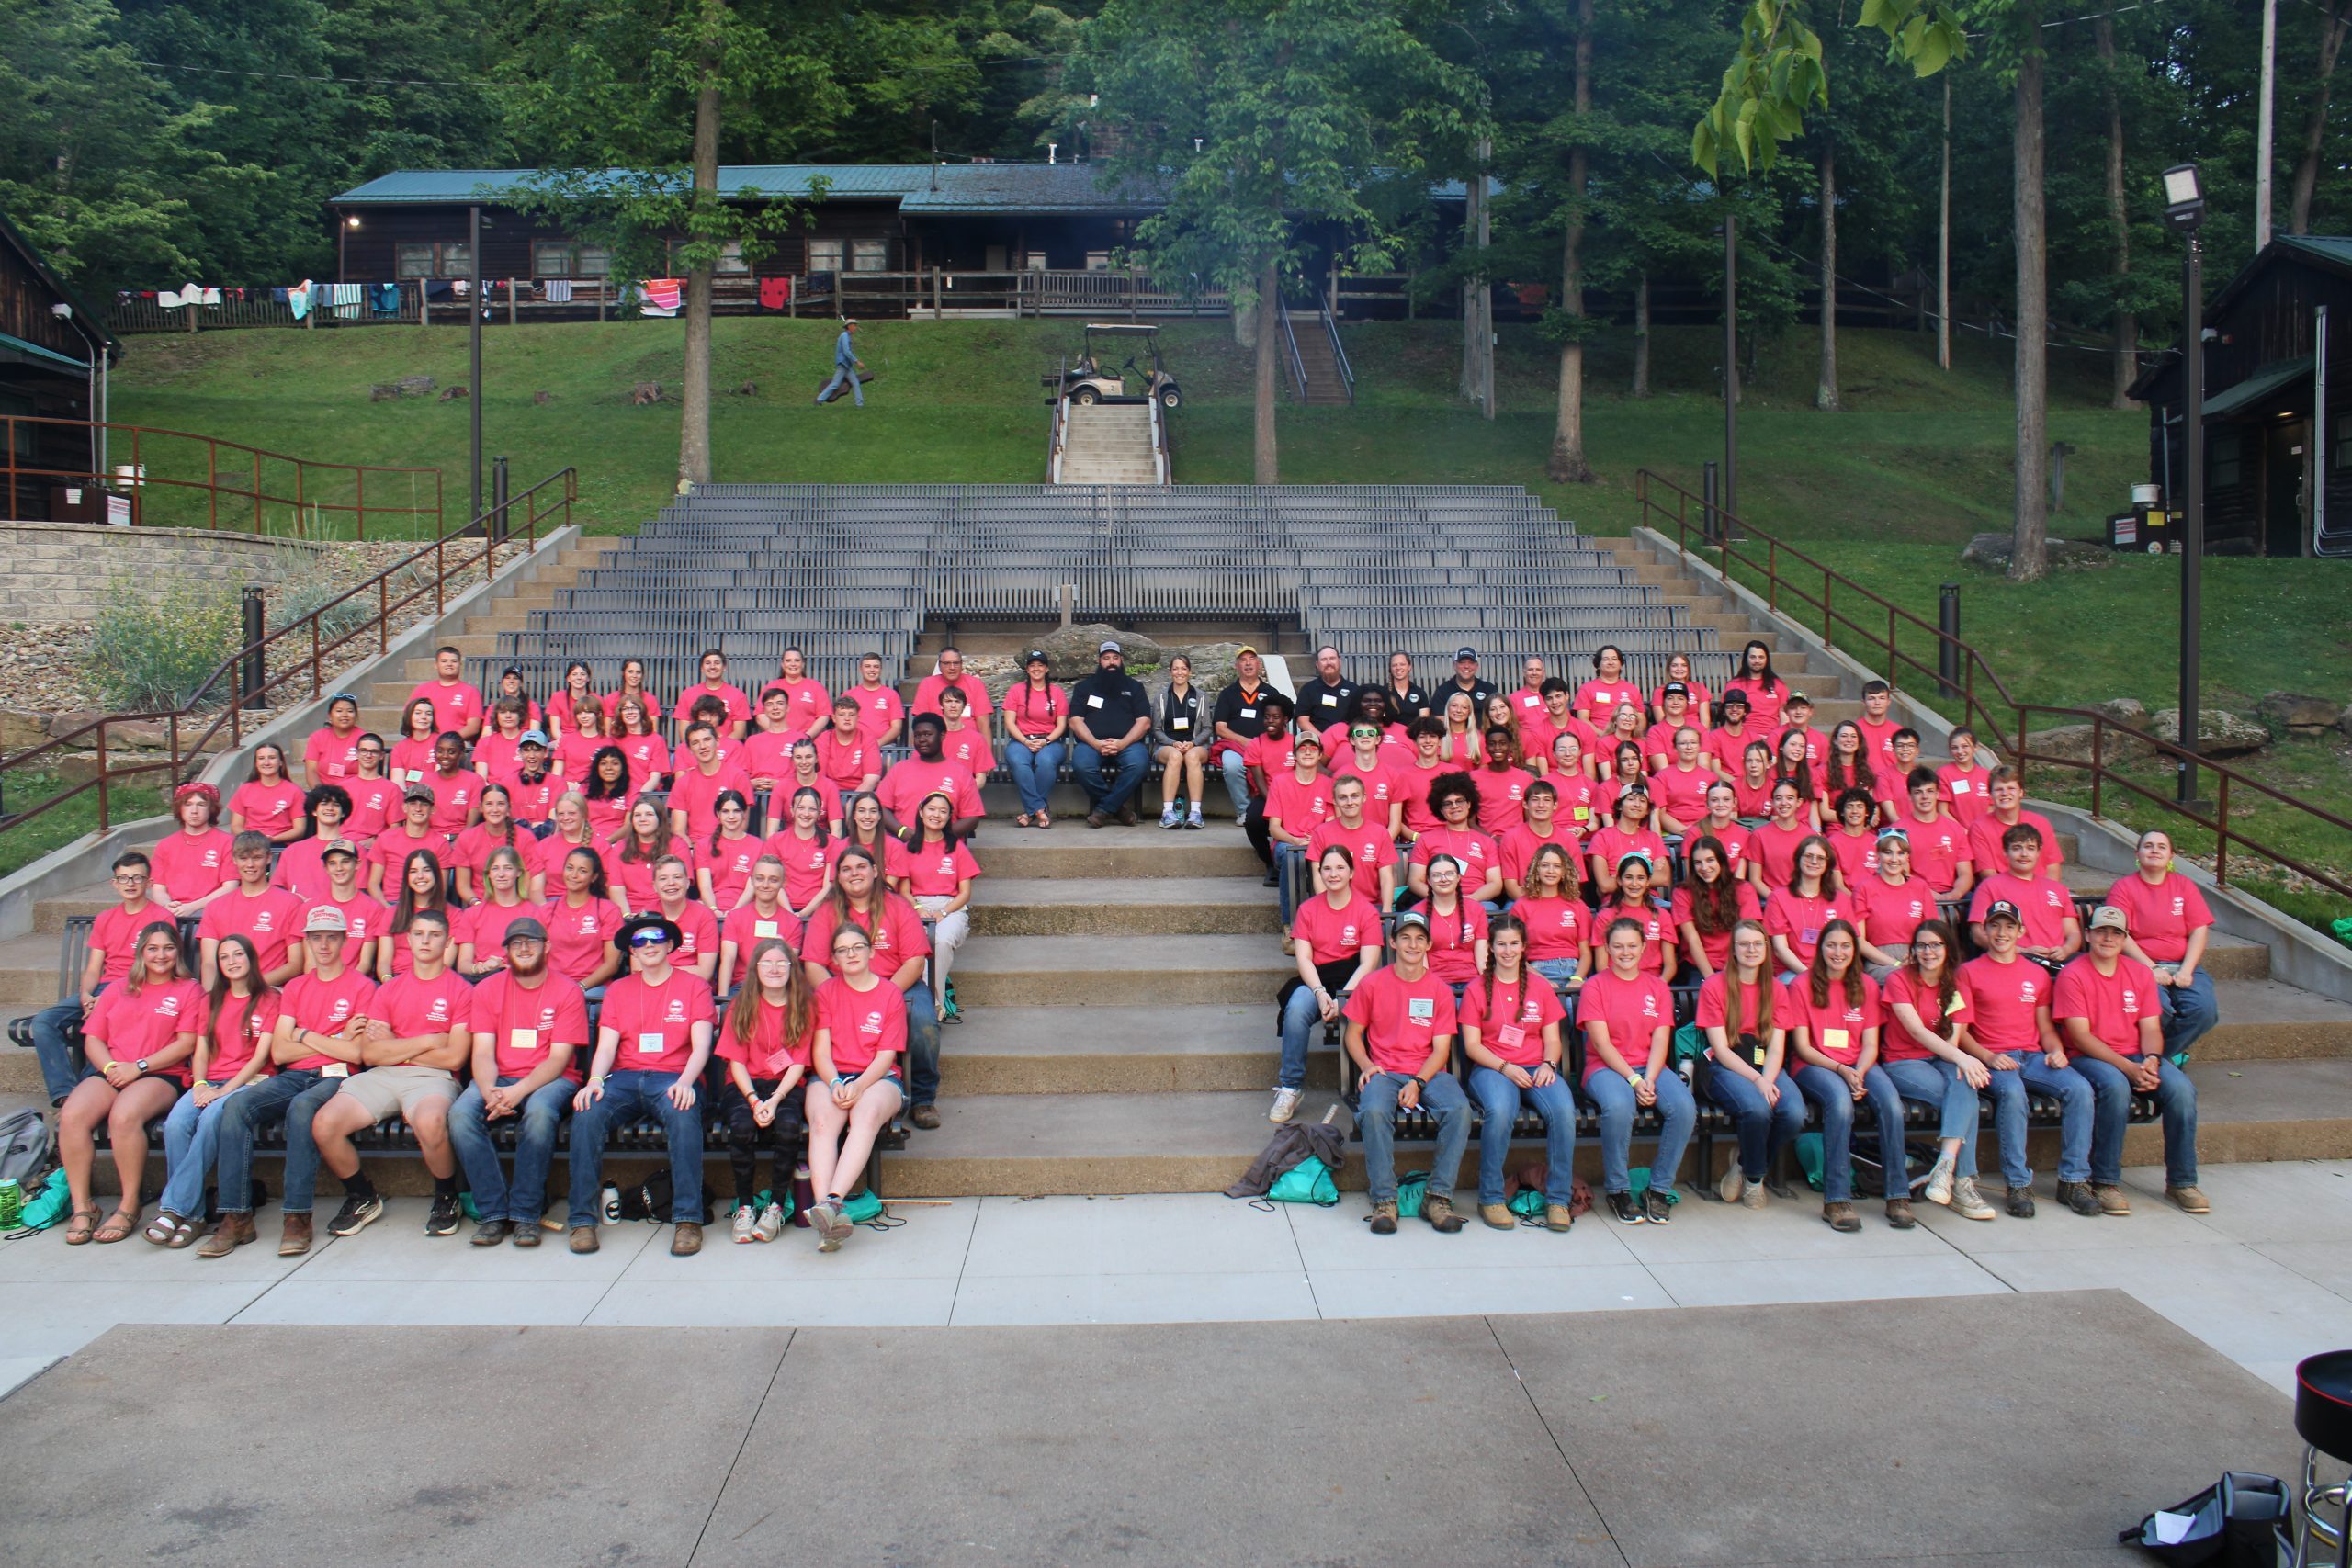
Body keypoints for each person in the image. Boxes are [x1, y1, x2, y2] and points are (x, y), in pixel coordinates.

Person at [194, 906, 376, 1258]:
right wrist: (332, 1037)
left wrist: (304, 1034)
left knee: (302, 1108)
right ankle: (237, 1216)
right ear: (306, 942)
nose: (323, 945)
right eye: (316, 938)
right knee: (236, 1105)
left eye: (331, 937)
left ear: (344, 940)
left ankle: (297, 1217)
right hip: (294, 1074)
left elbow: (356, 1055)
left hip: (337, 1077)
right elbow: (278, 1050)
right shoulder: (295, 988)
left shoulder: (361, 987)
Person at [303, 908, 471, 1240]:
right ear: (407, 940)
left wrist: (395, 1043)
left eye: (434, 935)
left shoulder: (461, 990)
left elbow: (455, 1055)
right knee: (324, 1124)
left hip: (433, 1078)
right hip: (382, 1074)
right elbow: (370, 1052)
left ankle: (446, 1197)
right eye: (419, 934)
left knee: (430, 1122)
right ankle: (363, 1196)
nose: (425, 941)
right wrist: (426, 1041)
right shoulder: (390, 990)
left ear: (448, 942)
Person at [566, 913, 716, 1257]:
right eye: (639, 941)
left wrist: (687, 1082)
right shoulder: (618, 990)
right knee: (587, 1111)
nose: (647, 945)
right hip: (624, 1077)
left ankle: (688, 1219)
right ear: (632, 951)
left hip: (674, 1076)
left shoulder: (694, 986)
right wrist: (593, 1081)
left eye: (655, 938)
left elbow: (701, 1045)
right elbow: (606, 1046)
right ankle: (582, 1220)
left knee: (683, 1110)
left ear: (670, 945)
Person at [2053, 906, 2206, 1215]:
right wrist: (2129, 1069)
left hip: (2136, 1054)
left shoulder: (2138, 974)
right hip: (2088, 1056)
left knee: (2181, 1090)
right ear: (2088, 935)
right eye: (2101, 931)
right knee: (2115, 1086)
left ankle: (2181, 1181)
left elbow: (2151, 1027)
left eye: (2116, 933)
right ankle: (2105, 1181)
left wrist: (2150, 1059)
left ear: (2125, 939)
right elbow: (2081, 1036)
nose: (2108, 938)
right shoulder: (2074, 974)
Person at [55, 921, 197, 1245]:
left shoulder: (189, 990)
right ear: (141, 953)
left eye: (168, 948)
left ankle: (129, 1203)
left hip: (161, 1072)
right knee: (73, 1115)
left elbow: (186, 1043)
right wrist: (110, 1067)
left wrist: (139, 1066)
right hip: (113, 1069)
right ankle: (83, 1206)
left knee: (124, 1115)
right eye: (153, 948)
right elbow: (93, 1038)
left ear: (178, 951)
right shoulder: (118, 988)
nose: (161, 955)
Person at [1961, 899, 2098, 1218]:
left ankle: (2074, 1180)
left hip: (2032, 1056)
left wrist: (2056, 1050)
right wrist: (1988, 1057)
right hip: (1993, 1057)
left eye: (2009, 925)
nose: (2002, 932)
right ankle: (2018, 1183)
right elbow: (1961, 1032)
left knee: (2079, 1089)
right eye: (1995, 924)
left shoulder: (2035, 975)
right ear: (1985, 929)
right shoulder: (1968, 972)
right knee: (2012, 1093)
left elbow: (2045, 1027)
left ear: (2021, 931)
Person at [1344, 911, 1471, 1235]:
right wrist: (1366, 1065)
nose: (1412, 944)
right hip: (1384, 1072)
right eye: (1405, 937)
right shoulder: (1372, 983)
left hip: (1428, 1071)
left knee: (1459, 1110)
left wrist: (1418, 1081)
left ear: (1429, 944)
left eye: (1419, 938)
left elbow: (1441, 1050)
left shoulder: (1439, 990)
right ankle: (1385, 1200)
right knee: (1372, 1111)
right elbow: (1352, 1035)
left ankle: (1438, 1198)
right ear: (1392, 941)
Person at [149, 932, 279, 1247]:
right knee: (177, 1124)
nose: (232, 962)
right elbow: (202, 1049)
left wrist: (224, 1091)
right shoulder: (210, 1000)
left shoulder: (269, 998)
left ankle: (173, 1208)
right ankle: (193, 1216)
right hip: (210, 1081)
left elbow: (260, 1057)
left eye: (238, 955)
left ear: (251, 959)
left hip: (250, 1081)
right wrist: (199, 1083)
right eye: (224, 958)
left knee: (210, 1122)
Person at [1782, 920, 1911, 1232]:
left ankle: (1898, 1194)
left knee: (1891, 1103)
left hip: (1859, 1062)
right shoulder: (1802, 984)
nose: (1838, 952)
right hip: (1815, 1064)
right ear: (1821, 948)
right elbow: (1802, 1046)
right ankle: (1836, 1199)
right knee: (1840, 1102)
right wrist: (1842, 1071)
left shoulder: (1866, 986)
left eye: (1845, 946)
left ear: (1855, 950)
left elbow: (1870, 1044)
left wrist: (1860, 1071)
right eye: (1831, 945)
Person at [802, 848, 940, 1128]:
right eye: (846, 869)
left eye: (861, 867)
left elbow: (914, 962)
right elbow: (814, 965)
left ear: (875, 871)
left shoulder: (898, 905)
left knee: (923, 1020)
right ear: (838, 878)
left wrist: (882, 996)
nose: (855, 873)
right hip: (842, 988)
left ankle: (923, 1098)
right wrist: (835, 995)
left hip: (898, 985)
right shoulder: (828, 912)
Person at [1461, 914, 1577, 1232]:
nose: (1508, 951)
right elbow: (1472, 1045)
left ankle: (1558, 1199)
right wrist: (1505, 1067)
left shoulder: (1540, 987)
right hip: (1492, 1067)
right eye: (1501, 944)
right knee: (1500, 1111)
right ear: (1491, 948)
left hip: (1536, 1067)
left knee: (1564, 1111)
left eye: (1514, 944)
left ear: (1524, 947)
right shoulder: (1477, 989)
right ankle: (1491, 1196)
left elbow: (1553, 1039)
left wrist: (1548, 1065)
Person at [1881, 919, 2000, 1221]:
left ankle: (1945, 1167)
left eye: (1935, 945)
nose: (1928, 951)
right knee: (1966, 1097)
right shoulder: (1900, 980)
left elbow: (1953, 1036)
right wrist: (1964, 1059)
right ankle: (1962, 1183)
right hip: (1903, 1061)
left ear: (1947, 949)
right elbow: (1917, 1032)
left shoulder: (1956, 984)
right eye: (1921, 945)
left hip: (1941, 1059)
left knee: (1965, 1083)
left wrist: (1960, 1061)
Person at [1579, 915, 1694, 1224]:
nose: (1625, 952)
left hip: (1650, 1067)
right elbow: (1601, 1044)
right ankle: (1618, 1190)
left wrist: (1651, 1079)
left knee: (1683, 1107)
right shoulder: (1595, 987)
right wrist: (1633, 1080)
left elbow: (1661, 1038)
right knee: (1619, 1107)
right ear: (1607, 948)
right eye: (1618, 946)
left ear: (1644, 947)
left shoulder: (1657, 987)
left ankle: (1658, 1190)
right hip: (1606, 1068)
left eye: (1632, 945)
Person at [29, 851, 165, 1107]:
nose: (130, 883)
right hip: (102, 989)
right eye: (123, 878)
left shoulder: (160, 917)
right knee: (44, 1021)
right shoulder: (105, 919)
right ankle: (65, 1094)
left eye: (137, 877)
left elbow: (158, 966)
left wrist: (104, 1000)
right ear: (114, 883)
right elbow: (94, 969)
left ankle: (96, 1092)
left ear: (149, 882)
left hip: (137, 988)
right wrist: (86, 995)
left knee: (102, 1021)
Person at [802, 925, 908, 1250]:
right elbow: (821, 1051)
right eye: (842, 950)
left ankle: (832, 1202)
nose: (851, 954)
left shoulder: (890, 993)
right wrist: (834, 1082)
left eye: (857, 947)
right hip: (832, 1073)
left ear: (871, 951)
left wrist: (860, 1085)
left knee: (864, 1114)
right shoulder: (825, 993)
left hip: (878, 1078)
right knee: (823, 1121)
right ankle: (827, 1215)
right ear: (833, 959)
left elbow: (886, 1055)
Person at [714, 937, 815, 1244]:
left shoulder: (803, 1006)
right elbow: (736, 1062)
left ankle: (775, 1206)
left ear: (791, 967)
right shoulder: (741, 1006)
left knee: (787, 1128)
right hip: (745, 1086)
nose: (774, 969)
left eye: (781, 962)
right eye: (767, 963)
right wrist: (755, 1100)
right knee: (742, 1128)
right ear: (755, 968)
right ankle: (745, 1205)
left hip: (785, 1086)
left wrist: (776, 1099)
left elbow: (798, 1063)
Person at [1273, 845, 1384, 1123]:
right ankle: (1290, 1087)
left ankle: (1375, 1083)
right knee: (1297, 1008)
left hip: (1355, 981)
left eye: (1339, 868)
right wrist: (1320, 993)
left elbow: (1368, 963)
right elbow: (1304, 959)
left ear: (1352, 873)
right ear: (1319, 873)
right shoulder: (1308, 910)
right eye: (1327, 868)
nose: (1333, 874)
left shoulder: (1366, 911)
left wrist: (1343, 998)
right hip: (1317, 978)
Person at [1700, 919, 1804, 1209]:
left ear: (1766, 949)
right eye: (1744, 944)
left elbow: (1777, 1047)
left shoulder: (1777, 990)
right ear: (1733, 949)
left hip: (1765, 1066)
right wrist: (1758, 1082)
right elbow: (1720, 1049)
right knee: (1757, 1109)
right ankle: (1756, 1180)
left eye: (1757, 944)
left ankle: (1744, 1164)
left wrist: (1767, 1079)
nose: (1751, 949)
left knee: (1794, 1112)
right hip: (1728, 1066)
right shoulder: (1715, 985)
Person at [2106, 828, 2221, 1065]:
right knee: (2160, 1009)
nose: (2155, 851)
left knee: (2204, 1011)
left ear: (2171, 856)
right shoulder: (2124, 888)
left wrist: (2187, 970)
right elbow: (2120, 933)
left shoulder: (2184, 886)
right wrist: (2151, 968)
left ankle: (2156, 1058)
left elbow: (2199, 929)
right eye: (2148, 846)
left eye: (2161, 847)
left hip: (2183, 965)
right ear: (2137, 853)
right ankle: (2163, 1059)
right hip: (2140, 966)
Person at [888, 792, 978, 1024]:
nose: (936, 814)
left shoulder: (956, 848)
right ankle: (930, 1007)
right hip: (916, 908)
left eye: (943, 811)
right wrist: (919, 909)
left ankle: (933, 1003)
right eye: (931, 809)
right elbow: (905, 891)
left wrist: (944, 913)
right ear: (920, 812)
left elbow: (965, 892)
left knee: (942, 940)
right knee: (918, 948)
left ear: (949, 818)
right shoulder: (907, 848)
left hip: (952, 908)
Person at [196, 831, 305, 991]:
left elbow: (295, 964)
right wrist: (211, 999)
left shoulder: (291, 903)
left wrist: (249, 987)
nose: (250, 865)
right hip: (228, 994)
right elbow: (209, 964)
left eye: (257, 857)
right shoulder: (215, 907)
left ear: (268, 858)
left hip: (270, 990)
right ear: (234, 860)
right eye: (243, 858)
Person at [1967, 823, 2081, 969]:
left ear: (2039, 852)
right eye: (2016, 848)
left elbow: (2073, 933)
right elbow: (1978, 934)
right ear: (2005, 852)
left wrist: (2066, 950)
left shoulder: (2057, 888)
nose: (2024, 854)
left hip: (2060, 960)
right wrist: (2022, 951)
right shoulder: (1990, 886)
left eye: (2030, 848)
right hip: (2018, 960)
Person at [1069, 640, 1153, 828]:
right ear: (1100, 661)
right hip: (1092, 745)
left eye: (1115, 658)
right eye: (1106, 658)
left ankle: (1104, 809)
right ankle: (1119, 810)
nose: (1111, 662)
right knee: (1082, 765)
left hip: (1127, 745)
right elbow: (1075, 720)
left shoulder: (1134, 687)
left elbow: (1144, 721)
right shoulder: (1084, 688)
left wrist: (1122, 743)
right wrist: (1096, 743)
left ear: (1121, 660)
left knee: (1138, 763)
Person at [876, 715, 985, 841]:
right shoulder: (899, 770)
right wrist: (901, 831)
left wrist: (939, 837)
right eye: (917, 735)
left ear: (942, 735)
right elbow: (880, 807)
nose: (921, 739)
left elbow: (972, 817)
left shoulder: (961, 773)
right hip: (903, 846)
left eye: (927, 734)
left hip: (945, 849)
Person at [1266, 733, 1336, 924]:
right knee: (1293, 856)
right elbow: (1274, 828)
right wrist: (1296, 841)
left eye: (1313, 748)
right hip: (1287, 842)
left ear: (1320, 754)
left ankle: (1326, 922)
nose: (1307, 752)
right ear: (1294, 754)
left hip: (1318, 842)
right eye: (1302, 748)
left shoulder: (1327, 784)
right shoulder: (1280, 782)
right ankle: (1291, 925)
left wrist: (1316, 841)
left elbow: (1330, 823)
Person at [1853, 829, 1939, 977]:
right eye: (1888, 852)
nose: (1894, 859)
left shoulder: (1920, 887)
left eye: (1900, 853)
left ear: (1907, 856)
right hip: (1879, 961)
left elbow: (1933, 933)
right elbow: (1858, 940)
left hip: (1919, 957)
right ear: (1878, 855)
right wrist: (1895, 964)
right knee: (1901, 978)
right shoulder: (1864, 888)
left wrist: (1916, 955)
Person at [1673, 835, 1762, 978]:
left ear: (1721, 861)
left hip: (1738, 961)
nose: (1704, 868)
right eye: (1698, 862)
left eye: (1710, 860)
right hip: (1697, 965)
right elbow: (1692, 939)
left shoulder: (1743, 889)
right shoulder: (1682, 892)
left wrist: (1727, 973)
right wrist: (1711, 980)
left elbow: (1746, 934)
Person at [1407, 773, 1501, 905]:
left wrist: (1471, 900)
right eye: (1448, 803)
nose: (1455, 806)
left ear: (1469, 804)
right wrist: (1443, 899)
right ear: (1440, 809)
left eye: (1460, 801)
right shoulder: (1426, 839)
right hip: (1436, 901)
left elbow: (1495, 884)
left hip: (1478, 902)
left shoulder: (1486, 842)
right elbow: (1415, 881)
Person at [718, 855, 808, 995]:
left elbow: (787, 966)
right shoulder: (735, 917)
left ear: (784, 883)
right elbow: (728, 959)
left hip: (778, 987)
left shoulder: (793, 923)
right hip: (743, 986)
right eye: (760, 878)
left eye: (773, 880)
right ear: (752, 880)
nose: (765, 885)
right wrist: (722, 1000)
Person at [540, 846, 624, 994]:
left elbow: (612, 964)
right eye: (570, 868)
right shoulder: (546, 911)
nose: (574, 875)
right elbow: (538, 957)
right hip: (552, 987)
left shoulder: (608, 910)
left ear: (594, 877)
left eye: (582, 871)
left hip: (592, 988)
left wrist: (579, 987)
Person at [1307, 776, 1398, 912]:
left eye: (1354, 796)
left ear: (1364, 797)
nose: (1349, 802)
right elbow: (1318, 876)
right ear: (1335, 801)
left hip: (1372, 908)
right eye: (1343, 797)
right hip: (1335, 907)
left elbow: (1386, 878)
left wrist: (1386, 913)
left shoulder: (1380, 833)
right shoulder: (1321, 833)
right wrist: (1327, 910)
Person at [299, 841, 390, 975]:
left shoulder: (373, 908)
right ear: (326, 868)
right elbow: (310, 963)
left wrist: (344, 986)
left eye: (345, 862)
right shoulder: (310, 908)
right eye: (332, 863)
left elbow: (365, 964)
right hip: (318, 984)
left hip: (355, 985)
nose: (339, 868)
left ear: (357, 864)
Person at [1004, 648, 1069, 829]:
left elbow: (1061, 725)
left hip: (1050, 741)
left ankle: (1030, 812)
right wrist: (1025, 741)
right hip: (1021, 740)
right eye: (1032, 665)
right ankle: (1040, 810)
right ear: (1026, 669)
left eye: (1040, 665)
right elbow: (1010, 722)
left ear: (1047, 669)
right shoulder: (1016, 691)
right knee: (1019, 761)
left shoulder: (1056, 693)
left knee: (1046, 761)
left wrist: (1046, 741)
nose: (1036, 669)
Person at [1766, 834, 1848, 975]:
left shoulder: (1841, 900)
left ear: (1828, 864)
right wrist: (1808, 976)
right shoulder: (1778, 898)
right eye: (1808, 856)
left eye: (1821, 858)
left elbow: (1848, 944)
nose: (1814, 861)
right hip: (1792, 971)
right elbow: (1780, 949)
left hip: (1831, 971)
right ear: (1798, 859)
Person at [153, 782, 237, 917]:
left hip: (211, 912)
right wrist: (166, 904)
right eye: (188, 804)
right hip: (173, 912)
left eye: (201, 805)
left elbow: (230, 887)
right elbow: (158, 888)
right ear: (180, 808)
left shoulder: (227, 842)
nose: (194, 811)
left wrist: (192, 907)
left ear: (211, 809)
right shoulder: (165, 845)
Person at [1210, 644, 1275, 819]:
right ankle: (1244, 811)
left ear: (1259, 664)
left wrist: (1260, 744)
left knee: (1277, 766)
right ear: (1236, 666)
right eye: (1243, 660)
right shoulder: (1228, 694)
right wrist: (1244, 741)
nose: (1248, 663)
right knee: (1231, 766)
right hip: (1235, 746)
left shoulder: (1271, 693)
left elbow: (1279, 725)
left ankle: (1273, 810)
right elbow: (1220, 728)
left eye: (1252, 659)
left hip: (1265, 746)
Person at [453, 784, 544, 905]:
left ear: (508, 809)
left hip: (515, 904)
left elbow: (527, 883)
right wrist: (476, 904)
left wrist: (515, 904)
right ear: (480, 807)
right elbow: (463, 886)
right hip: (479, 905)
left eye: (500, 804)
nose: (495, 809)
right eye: (489, 804)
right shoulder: (466, 838)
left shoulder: (526, 837)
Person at [1512, 843, 1589, 989]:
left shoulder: (1577, 905)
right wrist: (1542, 981)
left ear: (1564, 871)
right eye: (1545, 865)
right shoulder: (1521, 906)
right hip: (1537, 970)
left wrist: (1577, 978)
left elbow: (1585, 952)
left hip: (1574, 969)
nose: (1551, 871)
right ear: (1536, 869)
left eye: (1557, 866)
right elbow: (1516, 955)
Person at [456, 846, 537, 978]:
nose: (501, 874)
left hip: (521, 979)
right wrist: (482, 967)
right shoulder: (472, 914)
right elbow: (463, 965)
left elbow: (540, 961)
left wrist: (508, 969)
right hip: (483, 981)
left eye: (508, 868)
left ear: (519, 872)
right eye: (495, 868)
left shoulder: (533, 913)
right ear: (489, 874)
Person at [1965, 766, 2062, 876]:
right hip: (2002, 890)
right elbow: (1988, 874)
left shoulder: (2041, 823)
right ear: (1990, 795)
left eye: (2011, 788)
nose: (2005, 793)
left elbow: (2053, 867)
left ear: (2021, 792)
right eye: (1998, 789)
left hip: (2041, 889)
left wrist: (2047, 893)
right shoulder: (1979, 827)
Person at [1893, 769, 1974, 899]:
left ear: (1937, 794)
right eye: (1918, 792)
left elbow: (1965, 873)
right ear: (1909, 796)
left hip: (1952, 895)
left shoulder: (1955, 829)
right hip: (1913, 895)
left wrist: (1955, 894)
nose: (1925, 797)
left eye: (1930, 791)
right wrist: (1932, 896)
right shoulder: (1897, 832)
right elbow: (1902, 874)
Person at [1595, 854, 1678, 981]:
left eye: (1640, 878)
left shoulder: (1662, 916)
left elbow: (1670, 965)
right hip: (1616, 985)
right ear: (1619, 880)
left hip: (1653, 985)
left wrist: (1658, 987)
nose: (1634, 883)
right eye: (1628, 877)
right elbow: (1601, 966)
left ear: (1648, 881)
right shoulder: (1605, 917)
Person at [607, 795, 693, 916]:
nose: (642, 819)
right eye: (637, 815)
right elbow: (616, 889)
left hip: (667, 912)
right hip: (631, 914)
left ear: (660, 818)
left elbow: (682, 886)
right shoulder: (620, 848)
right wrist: (627, 916)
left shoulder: (677, 845)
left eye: (649, 814)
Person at [1417, 853, 1491, 990]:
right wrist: (1428, 987)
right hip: (1436, 982)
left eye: (1449, 874)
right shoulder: (1418, 912)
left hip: (1472, 981)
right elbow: (1420, 962)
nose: (1444, 879)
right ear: (1428, 880)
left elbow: (1482, 958)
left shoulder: (1476, 909)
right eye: (1437, 875)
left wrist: (1485, 986)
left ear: (1458, 877)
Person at [668, 722, 752, 842]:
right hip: (694, 848)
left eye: (707, 739)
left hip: (728, 845)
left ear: (717, 742)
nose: (702, 746)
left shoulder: (738, 777)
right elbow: (678, 832)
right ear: (690, 750)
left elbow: (742, 825)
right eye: (695, 743)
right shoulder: (682, 783)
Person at [1499, 779, 1580, 902]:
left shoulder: (1569, 839)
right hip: (1523, 901)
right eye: (1535, 800)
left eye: (1547, 800)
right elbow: (1511, 888)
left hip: (1561, 902)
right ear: (1525, 804)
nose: (1541, 805)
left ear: (1555, 805)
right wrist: (1537, 908)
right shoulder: (1511, 837)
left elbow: (1574, 882)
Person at [378, 848, 453, 979]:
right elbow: (384, 962)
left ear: (436, 874)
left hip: (433, 981)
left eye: (427, 870)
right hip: (395, 981)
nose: (420, 876)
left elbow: (446, 962)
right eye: (413, 871)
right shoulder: (392, 913)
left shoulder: (453, 914)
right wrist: (388, 981)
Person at [763, 786, 836, 919]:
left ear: (819, 812)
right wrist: (790, 914)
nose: (806, 813)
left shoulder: (833, 843)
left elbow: (828, 887)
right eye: (801, 808)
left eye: (812, 809)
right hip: (781, 909)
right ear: (792, 810)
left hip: (819, 911)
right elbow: (772, 881)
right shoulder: (775, 841)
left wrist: (803, 914)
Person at [273, 785, 356, 902]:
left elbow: (358, 894)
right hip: (297, 913)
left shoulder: (353, 849)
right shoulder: (292, 851)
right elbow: (277, 891)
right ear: (314, 811)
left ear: (343, 813)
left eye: (336, 805)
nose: (330, 808)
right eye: (324, 804)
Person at [1154, 652, 1208, 829]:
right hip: (1167, 746)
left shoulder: (1200, 696)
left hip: (1195, 746)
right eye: (1175, 668)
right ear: (1170, 672)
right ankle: (1167, 813)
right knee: (1176, 756)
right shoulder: (1162, 697)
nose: (1179, 672)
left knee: (1191, 756)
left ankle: (1195, 813)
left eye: (1183, 668)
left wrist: (1193, 743)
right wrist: (1172, 743)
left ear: (1190, 672)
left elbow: (1207, 728)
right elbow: (1156, 729)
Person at [1328, 716, 1405, 839]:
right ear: (1352, 740)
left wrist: (1380, 846)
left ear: (1378, 739)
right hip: (1349, 842)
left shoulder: (1393, 775)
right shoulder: (1340, 775)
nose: (1365, 736)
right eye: (1359, 733)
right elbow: (1339, 819)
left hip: (1384, 843)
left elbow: (1395, 824)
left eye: (1370, 732)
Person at [1586, 786, 1669, 898]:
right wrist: (1648, 875)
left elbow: (1664, 878)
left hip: (1650, 899)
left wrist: (1617, 879)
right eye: (1631, 799)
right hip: (1615, 899)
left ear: (1647, 810)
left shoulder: (1653, 838)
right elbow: (1605, 885)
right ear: (1619, 805)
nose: (1637, 804)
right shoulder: (1602, 836)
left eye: (1643, 801)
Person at [649, 855, 720, 986]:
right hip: (653, 987)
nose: (671, 883)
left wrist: (660, 972)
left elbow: (705, 972)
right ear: (654, 886)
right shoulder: (647, 915)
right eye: (663, 878)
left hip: (692, 987)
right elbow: (637, 968)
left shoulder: (704, 916)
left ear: (687, 883)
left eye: (677, 877)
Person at [367, 784, 444, 899]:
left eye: (424, 804)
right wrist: (387, 909)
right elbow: (373, 884)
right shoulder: (385, 839)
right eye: (413, 803)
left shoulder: (440, 843)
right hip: (392, 904)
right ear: (404, 807)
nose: (418, 808)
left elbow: (441, 888)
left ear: (433, 809)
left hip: (425, 907)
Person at [816, 694, 884, 816]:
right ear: (834, 718)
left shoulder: (867, 739)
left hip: (860, 793)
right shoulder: (824, 738)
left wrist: (853, 801)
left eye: (851, 714)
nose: (847, 718)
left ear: (858, 717)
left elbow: (871, 780)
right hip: (830, 793)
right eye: (842, 714)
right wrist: (832, 803)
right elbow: (819, 777)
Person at [228, 743, 306, 845]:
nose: (266, 762)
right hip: (249, 844)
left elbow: (299, 830)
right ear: (256, 763)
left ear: (281, 762)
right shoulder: (244, 789)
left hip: (281, 845)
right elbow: (235, 826)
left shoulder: (295, 791)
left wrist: (272, 839)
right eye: (261, 758)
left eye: (272, 758)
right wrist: (250, 838)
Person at [700, 791, 761, 911]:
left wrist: (735, 912)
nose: (731, 816)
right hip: (712, 909)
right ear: (718, 814)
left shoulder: (758, 845)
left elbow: (751, 888)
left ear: (744, 813)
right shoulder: (703, 845)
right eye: (725, 811)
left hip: (746, 910)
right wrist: (714, 910)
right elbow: (705, 887)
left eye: (736, 811)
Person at [409, 645, 484, 741]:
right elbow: (409, 719)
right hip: (424, 744)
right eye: (444, 661)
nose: (449, 664)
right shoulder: (421, 690)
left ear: (460, 664)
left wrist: (447, 741)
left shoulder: (471, 692)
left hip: (454, 747)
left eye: (454, 661)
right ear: (436, 665)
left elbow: (473, 727)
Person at [1647, 728, 1714, 836]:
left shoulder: (1710, 777)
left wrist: (1700, 831)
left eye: (1693, 742)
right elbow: (1660, 814)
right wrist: (1686, 832)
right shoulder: (1662, 776)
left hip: (1706, 833)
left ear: (1700, 746)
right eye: (1683, 743)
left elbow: (1714, 810)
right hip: (1674, 835)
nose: (1689, 747)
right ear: (1675, 747)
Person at [673, 649, 751, 739]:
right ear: (702, 668)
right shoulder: (688, 694)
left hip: (726, 751)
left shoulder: (737, 695)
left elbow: (739, 732)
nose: (712, 666)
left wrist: (722, 748)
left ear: (724, 667)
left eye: (717, 663)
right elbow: (683, 730)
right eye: (708, 663)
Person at [1474, 728, 1535, 837]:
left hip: (1517, 840)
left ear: (1510, 746)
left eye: (1502, 743)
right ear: (1486, 748)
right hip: (1486, 841)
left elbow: (1530, 819)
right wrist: (1490, 839)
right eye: (1492, 744)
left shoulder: (1525, 778)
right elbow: (1470, 822)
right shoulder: (1474, 778)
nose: (1497, 747)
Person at [1720, 639, 1786, 738]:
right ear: (1746, 659)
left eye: (1761, 657)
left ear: (1767, 659)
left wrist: (1777, 738)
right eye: (1753, 657)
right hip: (1742, 737)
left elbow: (1785, 717)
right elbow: (1726, 714)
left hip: (1772, 738)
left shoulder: (1778, 685)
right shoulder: (1734, 684)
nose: (1757, 661)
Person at [1823, 788, 1883, 893]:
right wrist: (1858, 903)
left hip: (1875, 899)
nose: (1855, 811)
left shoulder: (1876, 842)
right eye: (1849, 807)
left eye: (1859, 807)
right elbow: (1839, 886)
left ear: (1867, 812)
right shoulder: (1832, 843)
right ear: (1842, 812)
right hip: (1847, 901)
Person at [302, 694, 367, 788]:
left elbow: (368, 773)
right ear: (330, 716)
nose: (344, 715)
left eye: (350, 711)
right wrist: (322, 796)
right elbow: (311, 771)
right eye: (339, 711)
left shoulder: (364, 738)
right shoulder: (317, 737)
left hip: (355, 793)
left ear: (356, 715)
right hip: (324, 794)